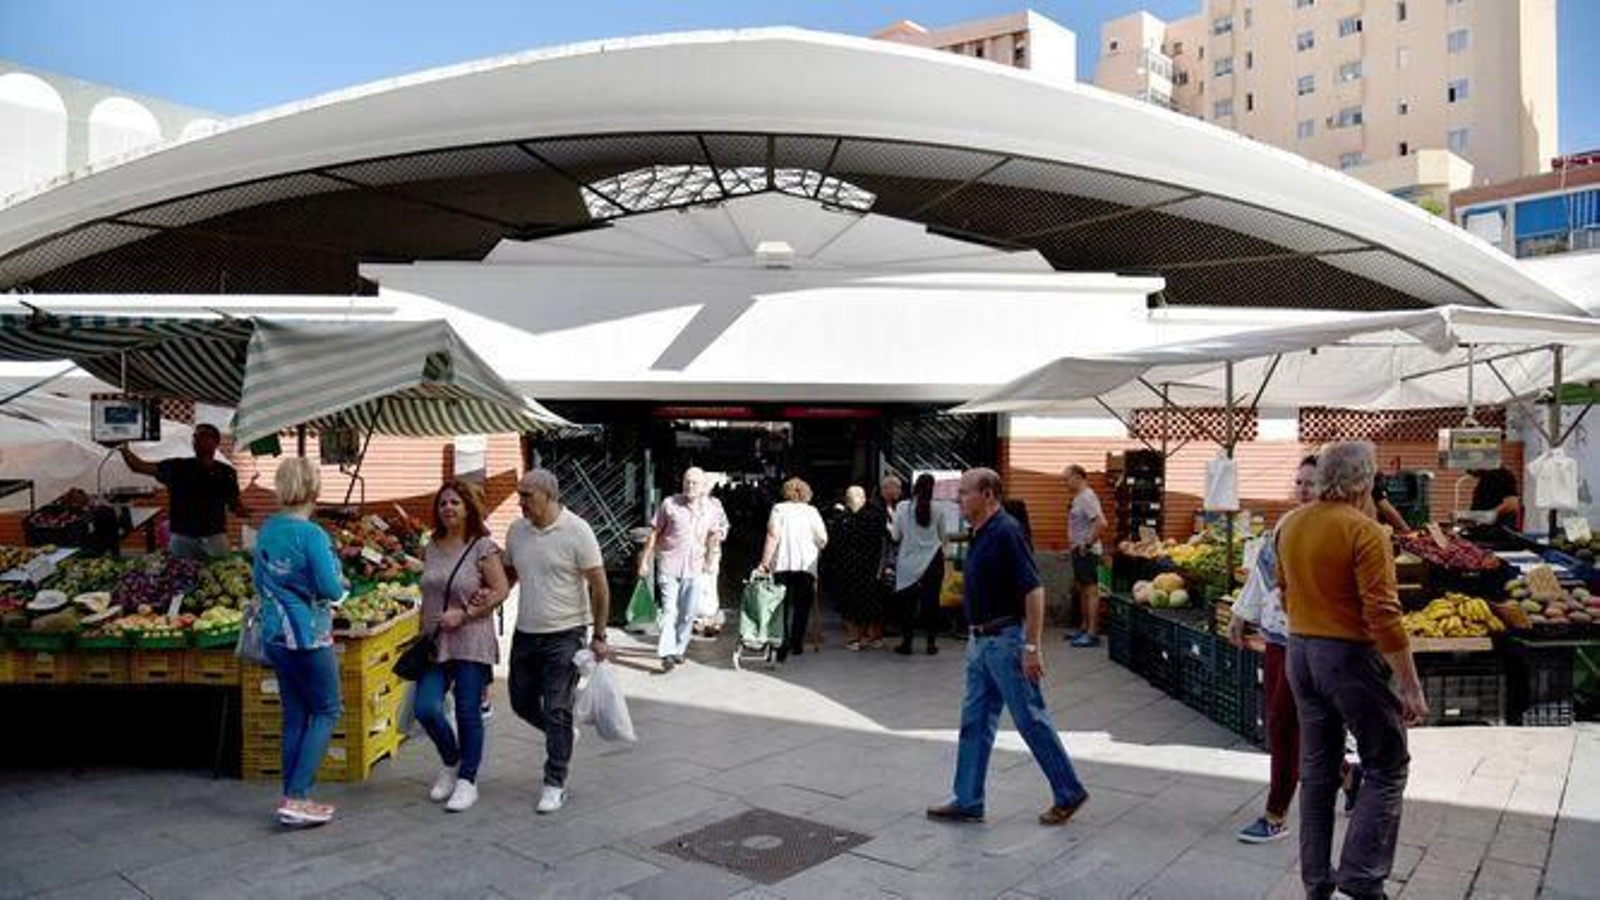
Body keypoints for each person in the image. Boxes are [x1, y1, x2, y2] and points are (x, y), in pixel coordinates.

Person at [1277, 441, 1428, 900]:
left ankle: (1316, 884)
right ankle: (1361, 880)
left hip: (1299, 654)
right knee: (1386, 764)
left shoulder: (1290, 524)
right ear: (1364, 480)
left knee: (1318, 770)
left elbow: (1284, 594)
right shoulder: (1366, 532)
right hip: (1346, 658)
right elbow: (1384, 615)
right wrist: (1410, 686)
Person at [926, 467, 1090, 827]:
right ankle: (968, 799)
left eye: (965, 492)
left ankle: (1069, 791)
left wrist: (1031, 647)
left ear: (987, 495)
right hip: (980, 642)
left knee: (1031, 718)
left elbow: (1034, 590)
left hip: (1006, 642)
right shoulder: (982, 532)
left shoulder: (1007, 532)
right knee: (974, 722)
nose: (959, 498)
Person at [504, 468, 611, 815]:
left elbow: (599, 585)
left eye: (527, 496)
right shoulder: (516, 530)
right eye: (519, 495)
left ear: (550, 496)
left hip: (565, 633)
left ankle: (554, 782)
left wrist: (599, 635)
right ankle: (560, 731)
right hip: (526, 630)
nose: (520, 502)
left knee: (556, 706)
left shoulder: (577, 531)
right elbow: (508, 572)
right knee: (521, 703)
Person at [251, 458, 345, 827]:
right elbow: (330, 588)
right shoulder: (312, 535)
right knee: (327, 710)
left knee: (295, 715)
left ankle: (291, 795)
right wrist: (338, 586)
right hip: (308, 635)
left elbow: (259, 581)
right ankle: (299, 796)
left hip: (274, 634)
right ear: (314, 489)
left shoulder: (268, 530)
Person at [414, 480, 510, 813]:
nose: (448, 508)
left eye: (455, 502)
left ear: (468, 507)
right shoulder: (431, 545)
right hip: (434, 641)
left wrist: (466, 613)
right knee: (425, 707)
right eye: (443, 503)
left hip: (471, 638)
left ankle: (468, 781)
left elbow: (500, 591)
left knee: (468, 712)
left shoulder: (482, 546)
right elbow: (428, 591)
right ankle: (452, 762)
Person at [638, 467, 728, 672]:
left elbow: (714, 535)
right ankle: (667, 653)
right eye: (687, 481)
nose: (690, 486)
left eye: (694, 482)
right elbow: (654, 532)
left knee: (688, 613)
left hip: (695, 568)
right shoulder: (670, 504)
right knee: (669, 611)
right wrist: (645, 560)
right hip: (669, 565)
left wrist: (710, 558)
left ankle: (679, 648)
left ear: (703, 486)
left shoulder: (711, 509)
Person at [121, 422, 246, 559]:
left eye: (202, 435)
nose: (196, 440)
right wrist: (123, 448)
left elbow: (233, 502)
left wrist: (241, 510)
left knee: (222, 573)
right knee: (180, 575)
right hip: (182, 538)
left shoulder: (227, 472)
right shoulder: (177, 467)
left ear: (216, 442)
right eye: (195, 436)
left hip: (215, 537)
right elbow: (138, 466)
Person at [759, 477, 829, 662]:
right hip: (806, 565)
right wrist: (815, 548)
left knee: (779, 606)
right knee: (802, 605)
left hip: (781, 564)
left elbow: (773, 535)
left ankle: (781, 645)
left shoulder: (779, 509)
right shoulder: (812, 511)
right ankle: (797, 643)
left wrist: (764, 562)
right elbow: (823, 538)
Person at [891, 473, 955, 656]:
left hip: (908, 563)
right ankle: (931, 644)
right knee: (931, 604)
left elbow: (896, 536)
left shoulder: (902, 507)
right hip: (933, 562)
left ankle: (907, 644)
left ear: (914, 486)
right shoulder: (939, 508)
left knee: (907, 606)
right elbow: (944, 536)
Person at [824, 486, 886, 651]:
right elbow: (884, 538)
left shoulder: (842, 518)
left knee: (849, 603)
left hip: (848, 567)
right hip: (870, 566)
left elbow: (833, 542)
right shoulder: (875, 516)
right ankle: (875, 638)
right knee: (871, 601)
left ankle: (854, 639)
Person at [1062, 465, 1107, 648]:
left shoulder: (1087, 497)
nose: (1064, 483)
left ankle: (1092, 633)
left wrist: (1087, 544)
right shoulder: (1079, 498)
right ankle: (1083, 628)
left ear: (1078, 477)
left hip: (1086, 551)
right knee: (1082, 589)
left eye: (1066, 479)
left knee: (1091, 591)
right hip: (1079, 551)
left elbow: (1102, 523)